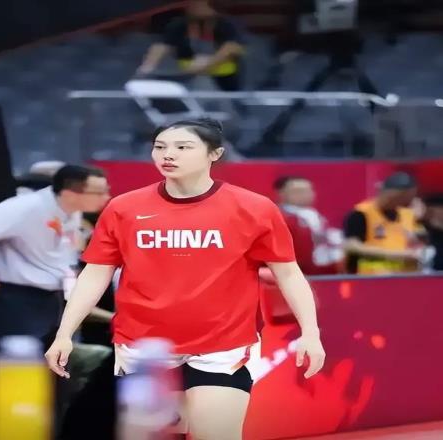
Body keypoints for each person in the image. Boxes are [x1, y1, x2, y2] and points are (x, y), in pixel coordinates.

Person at [45, 118, 325, 440]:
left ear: (214, 154)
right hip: (144, 347)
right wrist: (65, 333)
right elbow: (95, 273)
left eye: (183, 147)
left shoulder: (254, 208)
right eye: (160, 147)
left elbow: (288, 273)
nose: (168, 154)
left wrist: (310, 333)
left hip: (223, 346)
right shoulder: (124, 208)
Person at [0, 164, 110, 436]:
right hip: (15, 301)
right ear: (72, 192)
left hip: (51, 299)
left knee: (55, 379)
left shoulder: (72, 211)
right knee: (6, 379)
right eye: (99, 192)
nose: (106, 197)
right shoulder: (26, 207)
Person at [137, 0, 245, 91]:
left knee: (205, 85)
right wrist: (148, 65)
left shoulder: (227, 24)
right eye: (192, 4)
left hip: (222, 77)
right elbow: (163, 46)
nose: (193, 6)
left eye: (199, 4)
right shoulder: (178, 24)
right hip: (186, 75)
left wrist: (208, 63)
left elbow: (231, 48)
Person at [343, 172, 421, 274]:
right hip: (371, 277)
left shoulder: (407, 215)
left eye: (408, 197)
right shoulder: (361, 214)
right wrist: (395, 255)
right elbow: (351, 246)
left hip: (404, 276)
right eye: (400, 196)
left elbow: (418, 242)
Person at [274, 176, 342, 275]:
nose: (304, 194)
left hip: (327, 272)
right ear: (282, 193)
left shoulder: (316, 215)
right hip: (298, 274)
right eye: (298, 191)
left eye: (308, 190)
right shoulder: (279, 217)